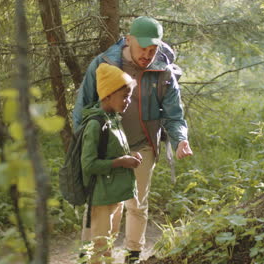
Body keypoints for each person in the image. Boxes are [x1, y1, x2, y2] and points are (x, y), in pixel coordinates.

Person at [73, 16, 193, 263]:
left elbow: (174, 115)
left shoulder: (163, 72)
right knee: (103, 202)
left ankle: (133, 254)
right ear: (128, 40)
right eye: (143, 48)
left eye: (153, 49)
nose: (147, 55)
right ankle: (95, 253)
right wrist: (81, 143)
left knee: (137, 203)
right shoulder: (104, 63)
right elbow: (82, 106)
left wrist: (180, 139)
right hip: (107, 148)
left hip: (142, 146)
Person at [80, 63, 141, 264]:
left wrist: (130, 156)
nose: (128, 101)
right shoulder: (95, 124)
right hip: (101, 197)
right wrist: (120, 162)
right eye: (124, 96)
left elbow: (112, 152)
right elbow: (88, 164)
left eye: (129, 96)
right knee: (100, 247)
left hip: (115, 195)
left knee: (109, 243)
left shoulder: (114, 118)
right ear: (107, 96)